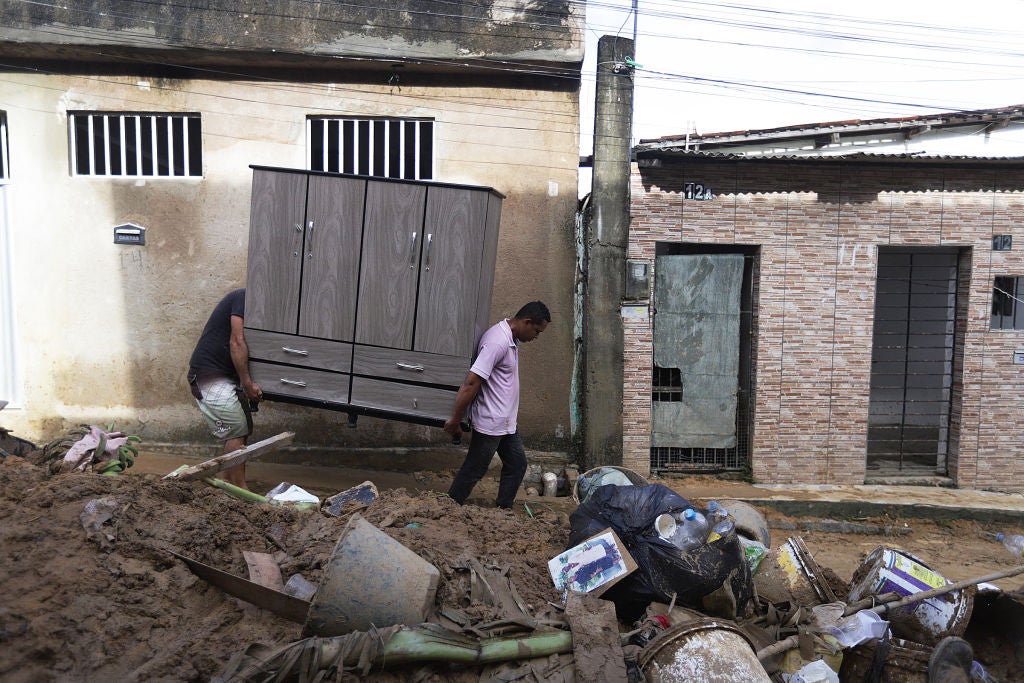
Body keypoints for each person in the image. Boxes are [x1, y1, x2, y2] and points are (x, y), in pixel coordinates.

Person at [444, 301, 550, 509]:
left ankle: (504, 510)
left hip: (505, 422)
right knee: (475, 468)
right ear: (526, 322)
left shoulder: (512, 337)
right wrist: (456, 419)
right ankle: (449, 507)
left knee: (517, 465)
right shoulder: (497, 342)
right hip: (491, 422)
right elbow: (471, 382)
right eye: (536, 331)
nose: (536, 337)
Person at [187, 288, 262, 489]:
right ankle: (237, 486)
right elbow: (236, 341)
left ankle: (226, 483)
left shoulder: (255, 303)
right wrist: (247, 383)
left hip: (224, 374)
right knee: (235, 429)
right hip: (207, 374)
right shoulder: (243, 297)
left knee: (241, 428)